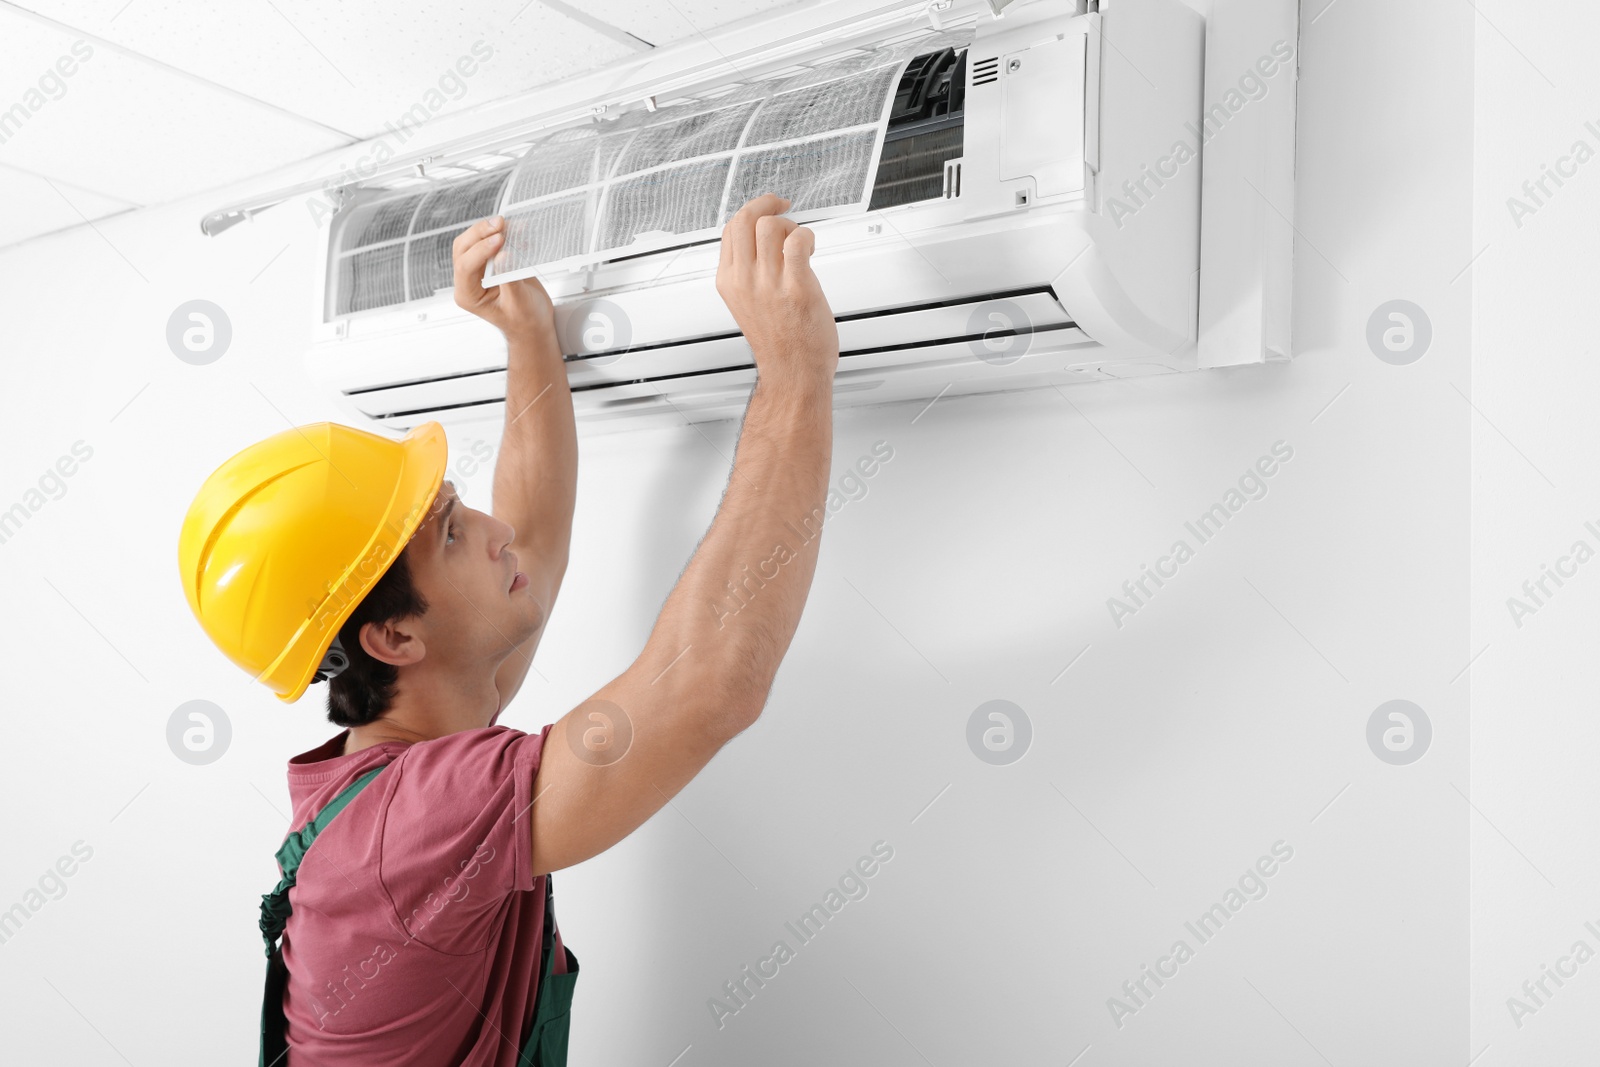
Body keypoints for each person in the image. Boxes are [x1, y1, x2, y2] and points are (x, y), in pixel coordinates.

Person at [176, 193, 840, 1065]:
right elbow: (708, 685)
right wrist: (795, 372)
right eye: (452, 531)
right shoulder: (418, 821)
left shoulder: (405, 743)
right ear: (394, 640)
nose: (492, 531)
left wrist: (527, 337)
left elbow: (529, 550)